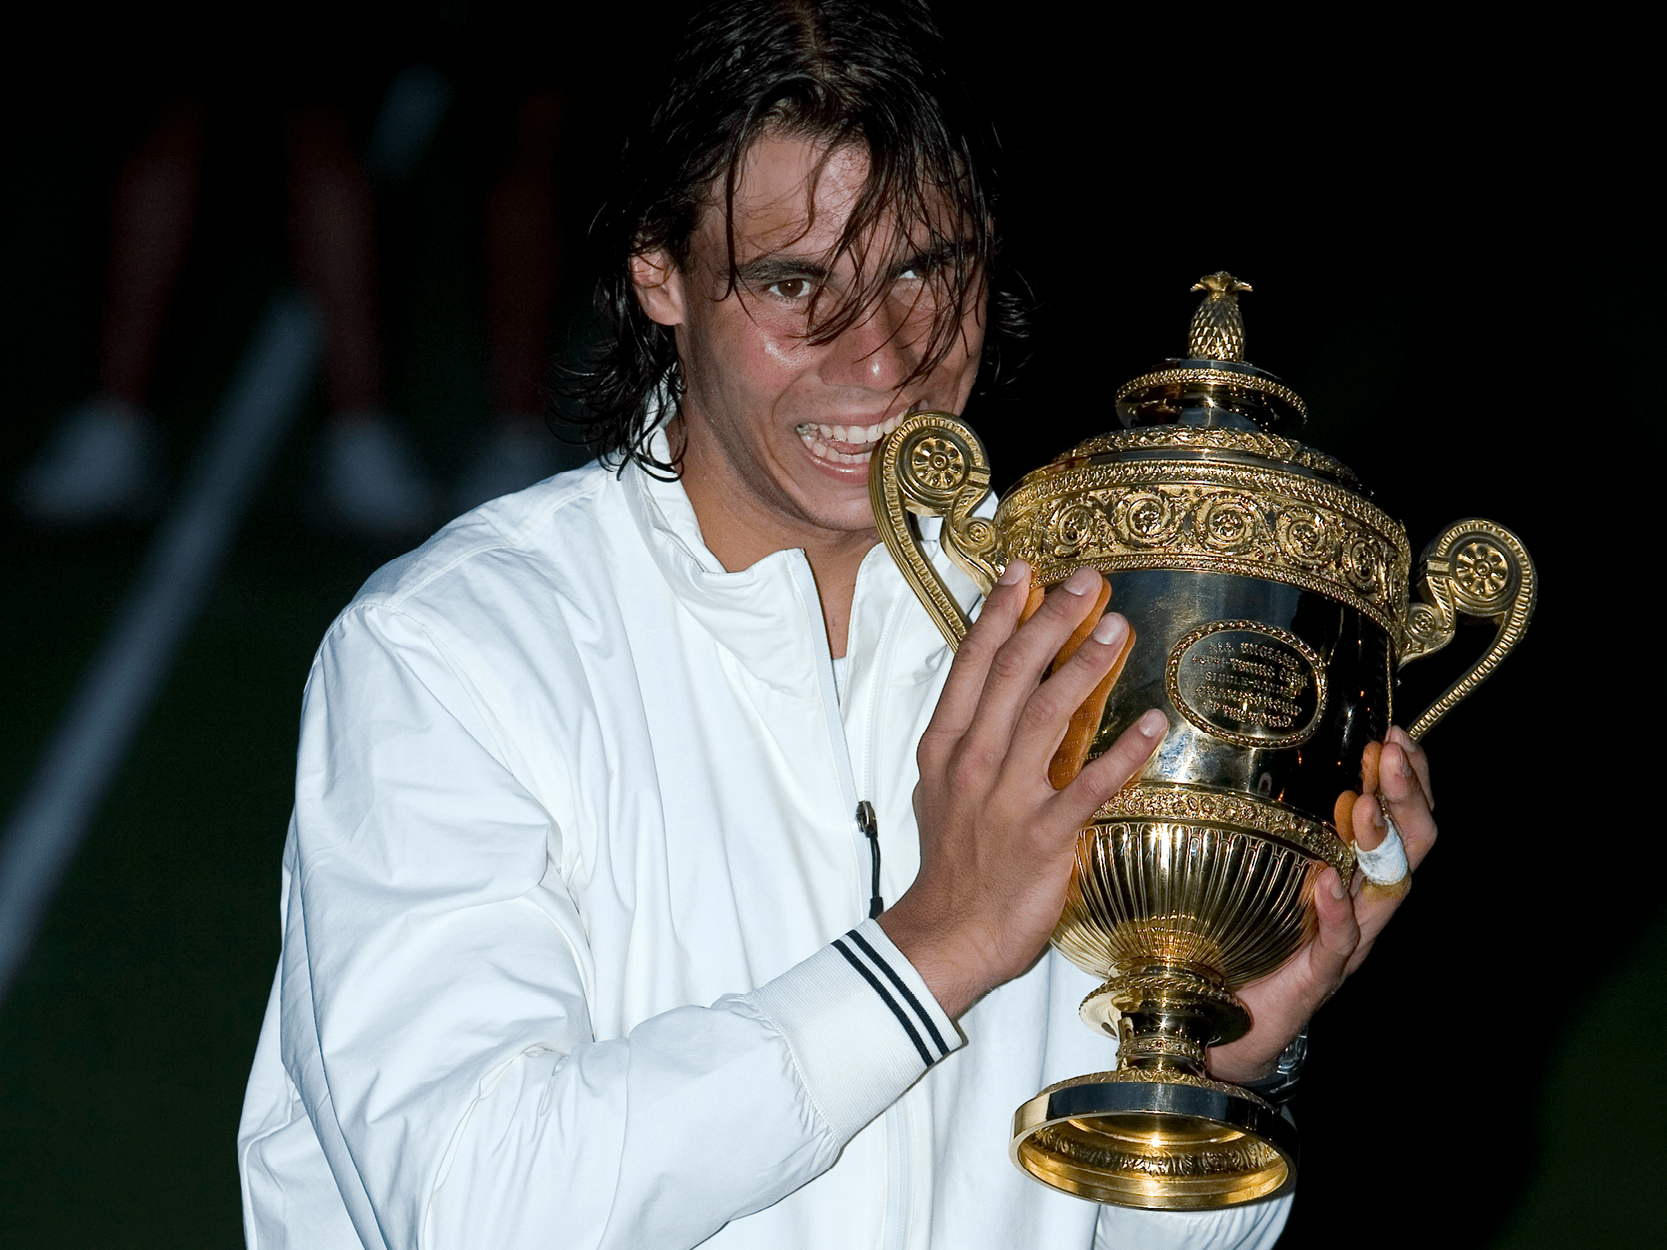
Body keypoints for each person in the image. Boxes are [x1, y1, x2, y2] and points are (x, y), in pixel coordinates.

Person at [237, 2, 1438, 1247]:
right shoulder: (455, 653)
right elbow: (467, 1204)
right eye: (793, 282)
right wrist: (932, 951)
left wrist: (1212, 1062)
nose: (879, 360)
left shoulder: (1086, 629)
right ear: (657, 270)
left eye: (925, 270)